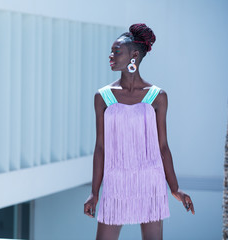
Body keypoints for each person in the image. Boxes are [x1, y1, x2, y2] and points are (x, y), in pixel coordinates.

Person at [83, 23, 195, 240]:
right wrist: (94, 193)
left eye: (117, 51)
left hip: (150, 183)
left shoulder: (158, 97)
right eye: (111, 51)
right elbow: (100, 148)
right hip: (115, 183)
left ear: (134, 55)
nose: (111, 56)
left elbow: (163, 146)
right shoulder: (103, 97)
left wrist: (175, 188)